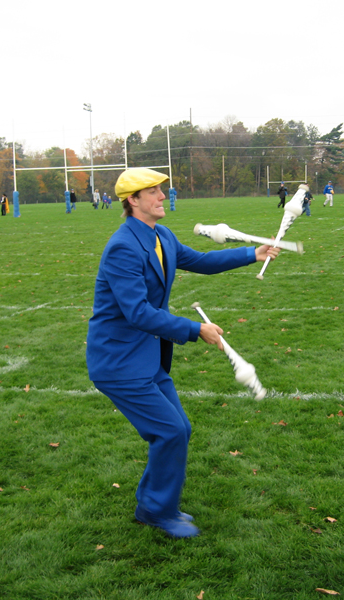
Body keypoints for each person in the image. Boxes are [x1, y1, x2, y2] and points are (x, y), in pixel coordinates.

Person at [86, 168, 280, 539]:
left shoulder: (162, 236)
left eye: (161, 190)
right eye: (154, 192)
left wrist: (252, 254)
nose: (162, 196)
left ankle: (151, 504)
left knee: (178, 429)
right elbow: (137, 312)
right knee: (171, 431)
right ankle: (159, 511)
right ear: (133, 200)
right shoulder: (123, 247)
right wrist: (196, 330)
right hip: (119, 361)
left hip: (145, 356)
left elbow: (202, 262)